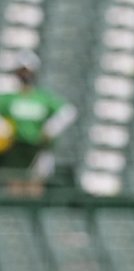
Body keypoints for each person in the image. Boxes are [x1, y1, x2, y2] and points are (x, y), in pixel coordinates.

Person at [0, 49, 77, 196]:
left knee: (36, 181)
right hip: (16, 148)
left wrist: (51, 129)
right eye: (21, 71)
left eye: (27, 71)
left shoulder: (43, 98)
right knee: (15, 180)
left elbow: (67, 112)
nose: (25, 75)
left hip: (38, 148)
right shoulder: (9, 98)